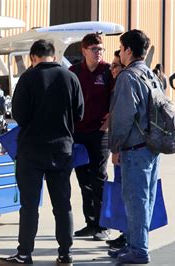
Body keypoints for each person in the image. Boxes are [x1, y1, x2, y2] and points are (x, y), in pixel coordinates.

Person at [0, 39, 83, 266]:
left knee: (29, 206)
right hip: (62, 150)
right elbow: (79, 113)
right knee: (62, 205)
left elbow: (19, 115)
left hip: (31, 151)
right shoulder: (70, 77)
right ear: (53, 56)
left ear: (33, 58)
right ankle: (65, 254)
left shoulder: (27, 78)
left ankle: (25, 254)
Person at [108, 29, 160, 264]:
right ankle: (135, 243)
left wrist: (115, 148)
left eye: (121, 47)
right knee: (146, 198)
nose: (119, 52)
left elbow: (122, 117)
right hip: (151, 146)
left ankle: (138, 250)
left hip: (134, 148)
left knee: (135, 199)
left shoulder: (128, 77)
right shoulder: (149, 74)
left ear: (128, 50)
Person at [68, 33, 112, 241]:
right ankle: (90, 223)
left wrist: (107, 124)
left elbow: (116, 101)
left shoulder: (108, 72)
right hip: (78, 134)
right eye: (94, 49)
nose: (98, 53)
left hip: (99, 134)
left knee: (99, 178)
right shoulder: (74, 72)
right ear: (84, 51)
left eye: (100, 49)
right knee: (83, 179)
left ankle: (104, 225)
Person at [105, 50, 127, 249]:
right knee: (122, 192)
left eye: (115, 65)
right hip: (126, 149)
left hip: (126, 151)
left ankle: (129, 236)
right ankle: (125, 233)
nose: (111, 69)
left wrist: (116, 149)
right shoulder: (118, 86)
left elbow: (123, 121)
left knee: (126, 193)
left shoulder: (125, 84)